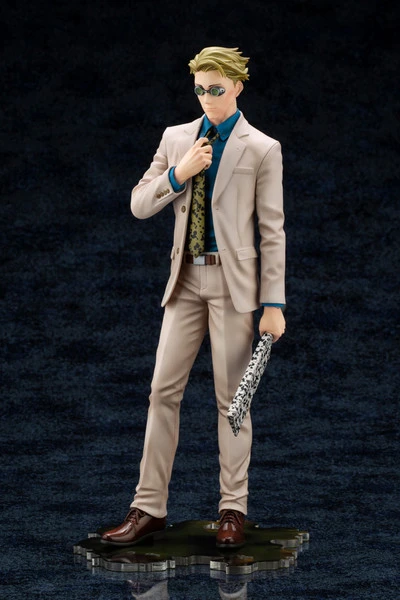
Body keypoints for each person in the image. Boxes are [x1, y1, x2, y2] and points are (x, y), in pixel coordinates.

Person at [101, 46, 286, 549]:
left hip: (233, 285)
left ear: (238, 87)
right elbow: (139, 203)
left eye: (216, 89)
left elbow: (272, 232)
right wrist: (177, 173)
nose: (207, 98)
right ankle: (148, 507)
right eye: (200, 89)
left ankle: (233, 508)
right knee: (162, 391)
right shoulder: (176, 138)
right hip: (184, 281)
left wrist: (274, 304)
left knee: (233, 400)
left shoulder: (262, 148)